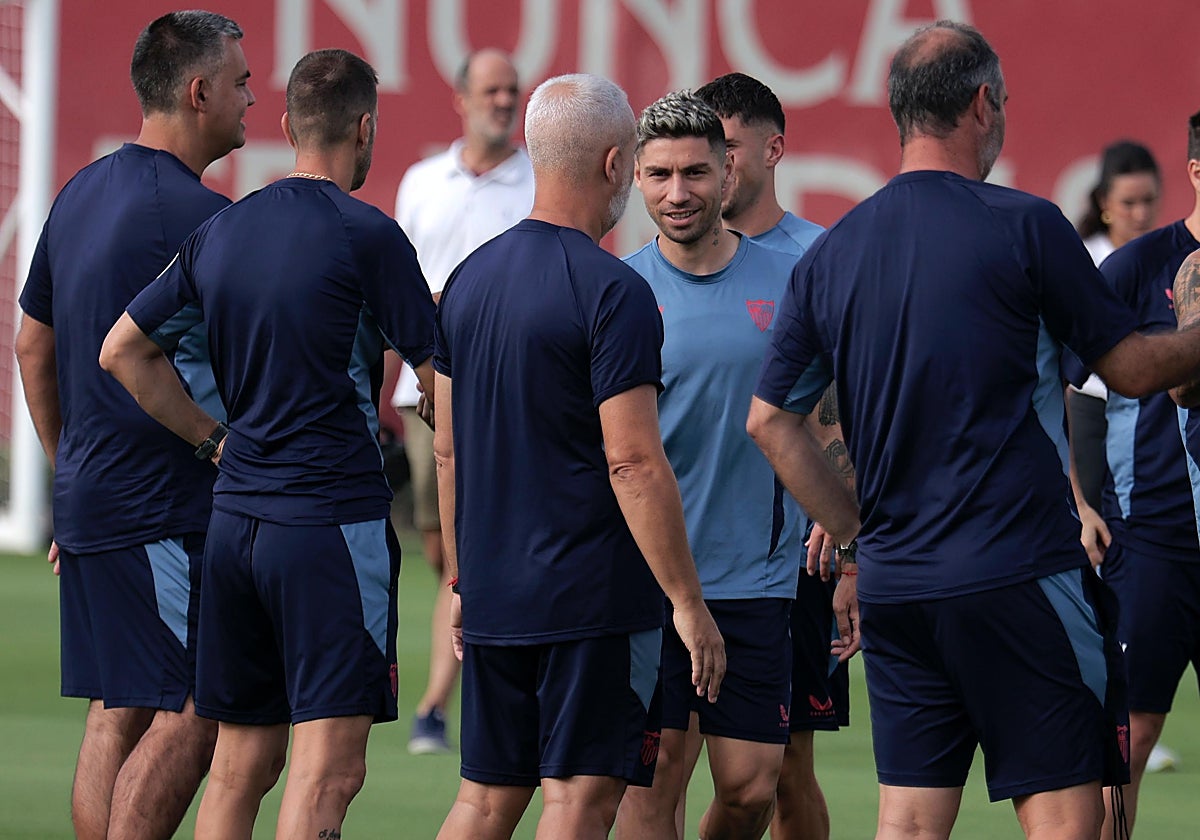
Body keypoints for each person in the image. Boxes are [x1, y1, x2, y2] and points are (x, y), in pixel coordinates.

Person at [746, 20, 1200, 839]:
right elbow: (1131, 370)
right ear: (983, 104)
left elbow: (771, 424)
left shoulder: (833, 252)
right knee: (1069, 821)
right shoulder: (1025, 226)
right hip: (1021, 574)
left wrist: (858, 535)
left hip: (897, 588)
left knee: (911, 825)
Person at [99, 49, 435, 839]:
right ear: (365, 128)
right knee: (329, 769)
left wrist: (215, 439)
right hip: (329, 528)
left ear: (284, 128)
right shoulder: (370, 236)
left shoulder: (222, 229)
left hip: (235, 527)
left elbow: (121, 350)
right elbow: (438, 381)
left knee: (241, 764)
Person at [432, 73, 725, 840]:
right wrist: (689, 604)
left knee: (485, 800)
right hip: (591, 599)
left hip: (495, 591)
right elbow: (632, 462)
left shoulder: (466, 283)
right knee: (581, 798)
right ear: (615, 163)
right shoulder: (614, 291)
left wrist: (462, 580)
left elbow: (447, 451)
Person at [13, 11, 253, 839]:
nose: (250, 99)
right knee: (200, 704)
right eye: (240, 83)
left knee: (120, 709)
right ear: (198, 92)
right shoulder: (198, 217)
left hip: (93, 498)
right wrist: (218, 442)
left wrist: (68, 468)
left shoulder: (80, 190)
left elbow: (29, 344)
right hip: (164, 505)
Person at [609, 89, 819, 840]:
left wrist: (844, 529)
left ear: (728, 172)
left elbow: (825, 414)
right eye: (660, 175)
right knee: (652, 781)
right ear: (634, 176)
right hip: (649, 578)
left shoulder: (791, 281)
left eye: (695, 172)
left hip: (757, 577)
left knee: (751, 786)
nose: (678, 193)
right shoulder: (620, 291)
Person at [695, 71, 849, 840]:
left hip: (796, 560)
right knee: (655, 767)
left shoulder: (820, 258)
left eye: (723, 147)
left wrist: (847, 550)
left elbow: (847, 409)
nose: (707, 167)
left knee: (786, 771)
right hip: (682, 548)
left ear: (772, 149)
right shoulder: (660, 263)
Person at [389, 47, 534, 755]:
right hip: (425, 394)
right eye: (493, 90)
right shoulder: (422, 183)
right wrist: (384, 389)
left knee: (473, 550)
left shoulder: (540, 182)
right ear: (462, 98)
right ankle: (471, 661)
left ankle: (436, 705)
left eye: (513, 90)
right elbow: (395, 293)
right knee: (443, 545)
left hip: (511, 397)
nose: (504, 101)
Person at [1068, 142, 1163, 531]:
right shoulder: (1083, 258)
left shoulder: (1166, 256)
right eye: (1128, 203)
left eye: (1148, 200)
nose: (1140, 214)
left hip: (1153, 413)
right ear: (1105, 201)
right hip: (1093, 410)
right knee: (1091, 530)